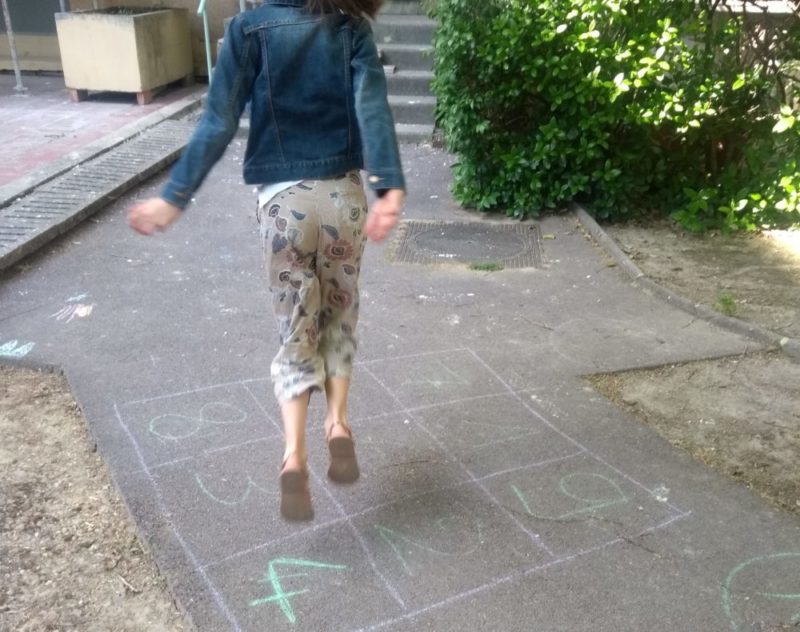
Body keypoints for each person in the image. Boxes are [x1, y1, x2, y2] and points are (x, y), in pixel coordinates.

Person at [128, 0, 405, 521]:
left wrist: (174, 196)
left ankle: (294, 455)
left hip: (283, 205)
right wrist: (388, 185)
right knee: (339, 317)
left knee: (296, 329)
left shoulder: (247, 30)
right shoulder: (350, 28)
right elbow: (373, 106)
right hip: (344, 199)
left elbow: (219, 119)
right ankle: (338, 424)